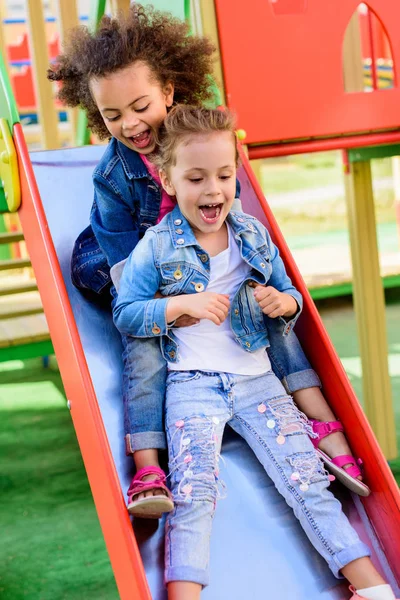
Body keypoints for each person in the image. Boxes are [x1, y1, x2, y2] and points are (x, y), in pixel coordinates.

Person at [48, 4, 367, 518]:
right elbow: (131, 274)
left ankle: (324, 424)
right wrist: (178, 305)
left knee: (265, 305)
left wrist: (259, 292)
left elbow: (231, 217)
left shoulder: (201, 142)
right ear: (98, 116)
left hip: (199, 251)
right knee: (146, 336)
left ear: (169, 94)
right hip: (127, 254)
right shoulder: (111, 176)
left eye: (140, 105)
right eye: (112, 116)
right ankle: (148, 462)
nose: (129, 124)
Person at [113, 105, 396, 600]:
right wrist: (182, 304)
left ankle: (371, 588)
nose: (214, 190)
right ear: (169, 179)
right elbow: (127, 313)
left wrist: (279, 301)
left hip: (258, 380)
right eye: (196, 178)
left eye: (224, 175)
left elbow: (292, 298)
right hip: (192, 384)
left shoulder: (252, 235)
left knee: (307, 479)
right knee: (194, 492)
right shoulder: (156, 247)